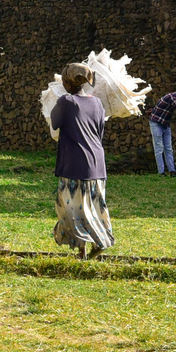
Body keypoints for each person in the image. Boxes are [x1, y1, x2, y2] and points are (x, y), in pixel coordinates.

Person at [50, 61, 113, 259]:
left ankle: (100, 242)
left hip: (74, 163)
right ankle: (83, 251)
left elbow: (54, 124)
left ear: (68, 84)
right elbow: (99, 132)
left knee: (72, 209)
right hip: (96, 163)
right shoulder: (96, 103)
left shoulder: (66, 102)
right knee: (94, 206)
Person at [146, 83, 176, 176]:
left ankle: (172, 171)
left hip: (165, 124)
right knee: (159, 148)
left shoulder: (175, 97)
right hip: (156, 123)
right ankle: (161, 172)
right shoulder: (172, 96)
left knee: (168, 148)